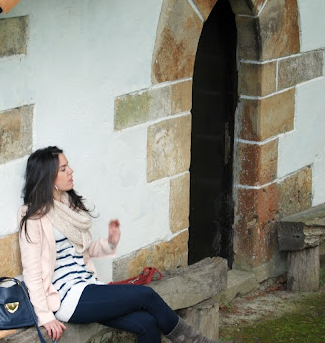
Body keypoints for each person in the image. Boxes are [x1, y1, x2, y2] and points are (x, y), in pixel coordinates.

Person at [18, 146, 230, 343]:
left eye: (68, 166)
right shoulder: (34, 218)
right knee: (146, 295)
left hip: (89, 287)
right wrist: (45, 316)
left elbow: (83, 249)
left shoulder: (68, 207)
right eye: (63, 169)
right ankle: (195, 340)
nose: (71, 171)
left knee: (146, 323)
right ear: (48, 177)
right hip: (68, 297)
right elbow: (32, 272)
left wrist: (109, 244)